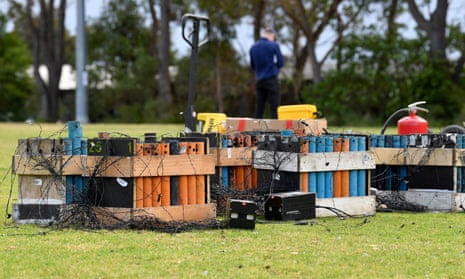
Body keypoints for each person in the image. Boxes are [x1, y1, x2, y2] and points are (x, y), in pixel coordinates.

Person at [249, 27, 284, 119]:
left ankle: (255, 128)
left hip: (259, 80)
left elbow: (252, 65)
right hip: (271, 79)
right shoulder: (273, 45)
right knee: (274, 107)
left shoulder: (253, 47)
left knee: (259, 107)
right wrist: (274, 68)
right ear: (271, 35)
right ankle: (276, 129)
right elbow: (280, 62)